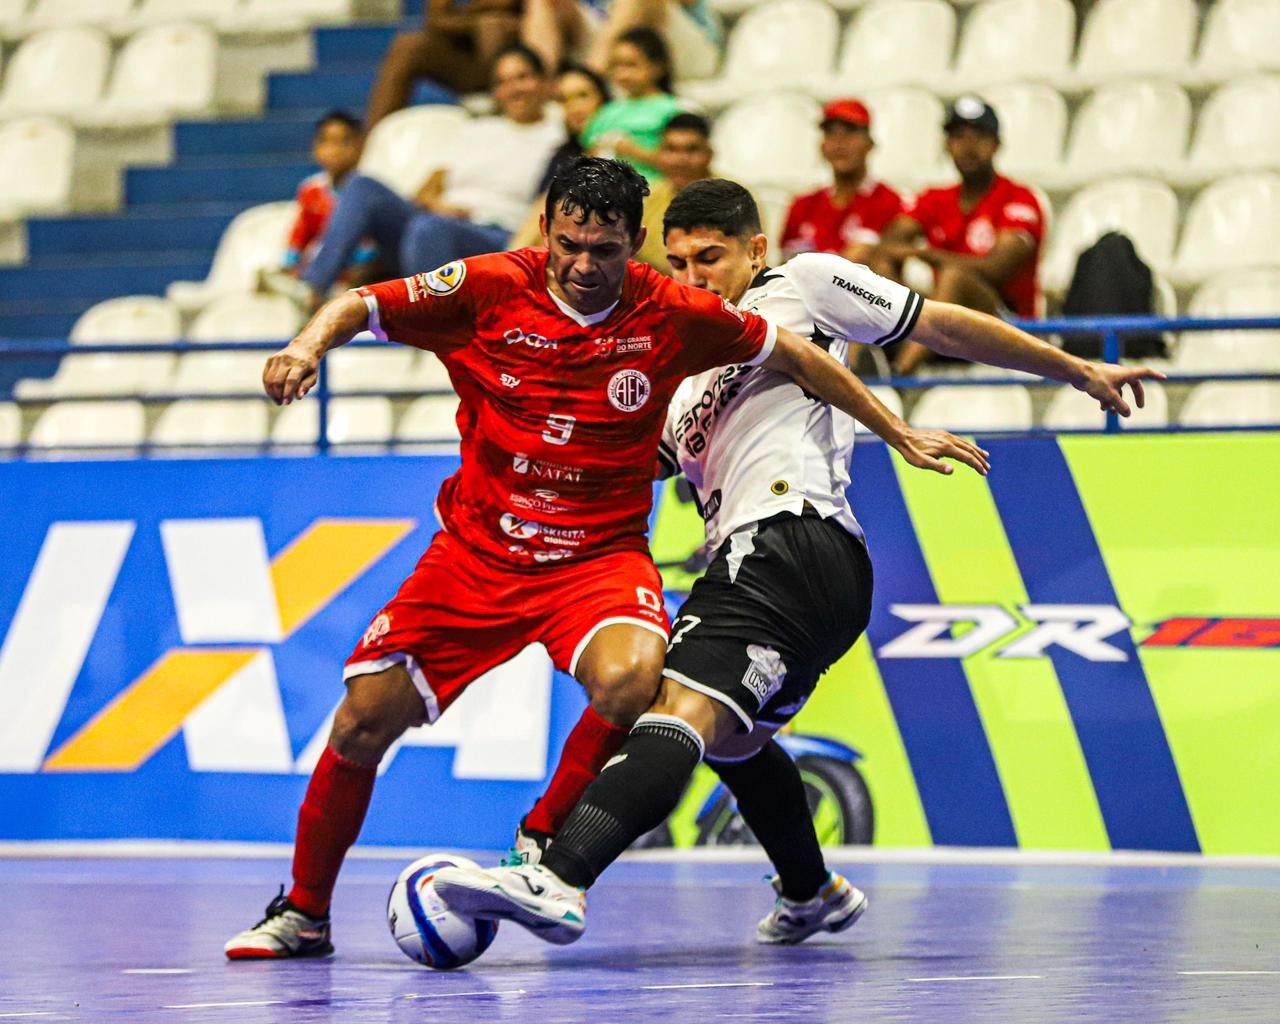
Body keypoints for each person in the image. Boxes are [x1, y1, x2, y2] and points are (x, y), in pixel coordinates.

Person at [223, 158, 981, 959]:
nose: (584, 266)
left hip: (596, 559)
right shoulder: (485, 286)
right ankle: (304, 913)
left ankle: (542, 846)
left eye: (605, 250)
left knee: (636, 678)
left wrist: (895, 430)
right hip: (477, 553)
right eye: (569, 244)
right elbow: (360, 301)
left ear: (635, 245)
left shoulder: (674, 312)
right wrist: (306, 346)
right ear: (547, 229)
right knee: (360, 722)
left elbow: (798, 356)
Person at [429, 178, 1165, 947]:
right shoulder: (681, 377)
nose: (692, 280)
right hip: (792, 573)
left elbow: (942, 325)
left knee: (673, 712)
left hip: (789, 539)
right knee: (732, 739)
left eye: (709, 259)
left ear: (754, 250)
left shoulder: (800, 285)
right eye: (676, 264)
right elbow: (608, 463)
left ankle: (560, 876)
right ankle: (813, 891)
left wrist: (1076, 371)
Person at [300, 46, 563, 308]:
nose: (514, 88)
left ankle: (427, 328)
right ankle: (311, 289)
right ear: (495, 91)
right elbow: (431, 185)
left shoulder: (558, 138)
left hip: (498, 237)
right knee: (362, 186)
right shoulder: (476, 129)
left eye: (522, 77)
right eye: (503, 82)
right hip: (435, 225)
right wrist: (438, 205)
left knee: (429, 229)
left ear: (544, 82)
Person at [866, 96, 1047, 375]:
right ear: (947, 145)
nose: (968, 146)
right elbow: (888, 246)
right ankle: (868, 358)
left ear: (997, 145)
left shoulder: (1020, 200)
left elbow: (996, 269)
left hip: (1006, 326)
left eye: (979, 136)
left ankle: (897, 374)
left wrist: (926, 255)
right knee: (877, 265)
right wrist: (895, 259)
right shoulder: (936, 198)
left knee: (955, 278)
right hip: (944, 329)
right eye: (958, 136)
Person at [779, 99, 904, 264]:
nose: (839, 143)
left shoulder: (890, 202)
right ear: (822, 146)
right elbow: (785, 266)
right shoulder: (802, 205)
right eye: (831, 133)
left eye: (850, 132)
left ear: (870, 144)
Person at [365, 0, 524, 129]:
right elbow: (435, 21)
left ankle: (503, 121)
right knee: (408, 45)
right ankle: (372, 146)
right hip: (468, 58)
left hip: (527, 50)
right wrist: (476, 20)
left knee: (493, 27)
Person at [507, 62, 612, 249]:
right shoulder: (563, 155)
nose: (575, 107)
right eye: (565, 100)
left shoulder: (627, 144)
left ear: (604, 99)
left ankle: (511, 267)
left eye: (583, 96)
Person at [279, 111, 377, 286]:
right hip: (321, 264)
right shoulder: (311, 190)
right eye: (326, 142)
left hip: (360, 268)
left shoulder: (368, 188)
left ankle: (315, 286)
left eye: (343, 142)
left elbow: (373, 242)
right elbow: (301, 234)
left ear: (359, 146)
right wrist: (290, 263)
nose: (334, 150)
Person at [581, 27, 681, 181]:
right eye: (616, 65)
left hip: (654, 193)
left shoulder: (672, 109)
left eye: (631, 65)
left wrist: (633, 151)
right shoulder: (606, 111)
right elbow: (588, 153)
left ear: (658, 66)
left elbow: (680, 162)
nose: (622, 74)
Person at [632, 111, 715, 272]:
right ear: (659, 153)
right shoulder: (647, 198)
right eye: (671, 149)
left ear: (710, 154)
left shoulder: (736, 200)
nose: (680, 160)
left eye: (692, 150)